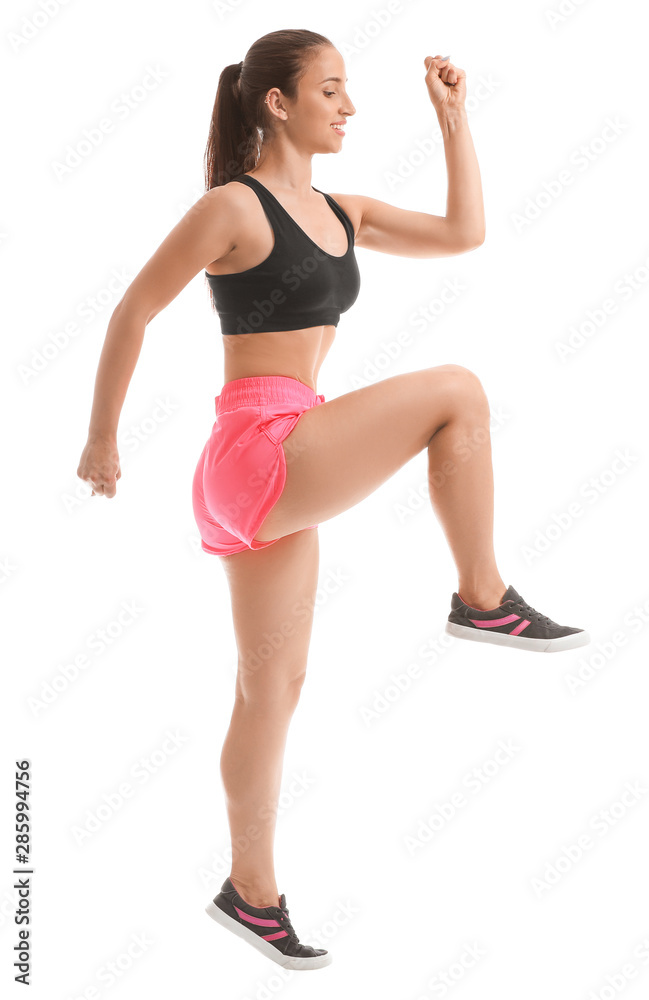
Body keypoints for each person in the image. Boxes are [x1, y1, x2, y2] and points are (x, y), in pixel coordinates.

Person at [76, 28, 590, 971]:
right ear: (276, 103)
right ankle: (481, 599)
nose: (348, 107)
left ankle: (251, 892)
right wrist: (103, 436)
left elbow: (463, 234)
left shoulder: (340, 211)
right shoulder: (232, 206)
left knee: (272, 688)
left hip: (278, 467)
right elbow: (132, 309)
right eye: (330, 90)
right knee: (456, 390)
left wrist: (452, 119)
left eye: (349, 92)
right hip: (263, 449)